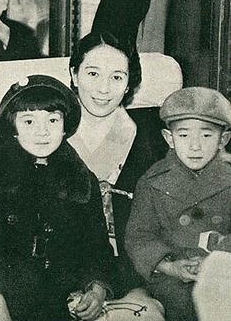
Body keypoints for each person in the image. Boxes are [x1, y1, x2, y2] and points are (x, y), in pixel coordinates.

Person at [0, 75, 114, 321]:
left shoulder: (80, 179)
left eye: (52, 120)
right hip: (2, 294)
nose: (42, 131)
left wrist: (97, 288)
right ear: (13, 128)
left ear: (65, 125)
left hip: (60, 296)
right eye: (29, 121)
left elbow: (96, 245)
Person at [67, 31, 166, 319]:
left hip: (130, 273)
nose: (103, 89)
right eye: (93, 73)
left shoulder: (150, 142)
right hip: (65, 270)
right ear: (74, 75)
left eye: (117, 77)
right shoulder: (49, 134)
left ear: (128, 85)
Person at [125, 87, 231, 321]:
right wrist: (169, 266)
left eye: (206, 135)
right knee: (179, 303)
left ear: (223, 139)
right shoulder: (152, 181)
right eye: (183, 135)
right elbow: (139, 237)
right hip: (170, 275)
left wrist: (217, 261)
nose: (195, 146)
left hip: (224, 271)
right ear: (168, 138)